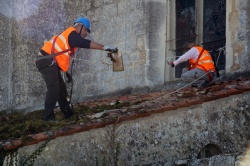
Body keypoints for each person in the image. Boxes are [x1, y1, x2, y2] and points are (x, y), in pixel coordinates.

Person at [35, 17, 117, 121]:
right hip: (45, 60)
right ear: (79, 26)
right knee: (54, 88)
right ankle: (48, 118)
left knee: (61, 89)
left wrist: (67, 73)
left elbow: (60, 57)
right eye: (85, 30)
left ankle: (68, 114)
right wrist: (104, 47)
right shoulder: (72, 34)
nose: (86, 33)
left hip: (48, 61)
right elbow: (84, 43)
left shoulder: (70, 37)